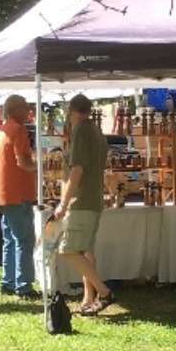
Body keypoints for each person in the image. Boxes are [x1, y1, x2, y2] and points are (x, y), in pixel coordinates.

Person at [55, 94, 115, 316]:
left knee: (68, 250)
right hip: (92, 199)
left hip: (81, 201)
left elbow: (77, 169)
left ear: (71, 112)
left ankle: (104, 292)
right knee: (86, 250)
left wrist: (63, 202)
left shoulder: (81, 130)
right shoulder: (96, 131)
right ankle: (89, 298)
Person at [0, 95, 40, 299]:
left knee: (10, 240)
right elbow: (22, 162)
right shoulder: (18, 130)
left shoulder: (1, 132)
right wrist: (40, 168)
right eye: (26, 108)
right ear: (16, 110)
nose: (29, 112)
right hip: (18, 193)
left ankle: (8, 282)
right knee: (24, 240)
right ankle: (24, 286)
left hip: (4, 194)